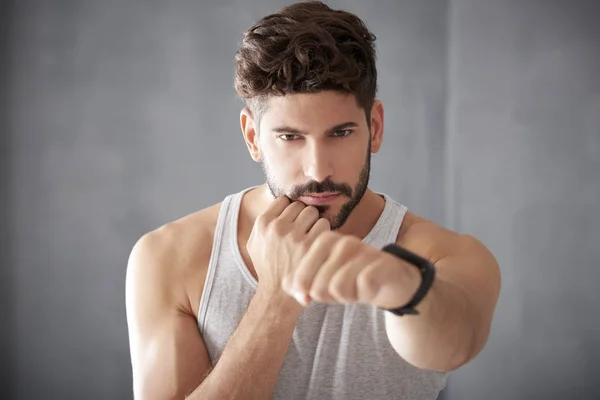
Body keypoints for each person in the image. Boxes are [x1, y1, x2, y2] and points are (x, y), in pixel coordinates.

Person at [125, 1, 501, 399]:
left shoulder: (443, 256)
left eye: (340, 134)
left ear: (374, 127)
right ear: (253, 137)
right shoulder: (170, 258)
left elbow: (454, 342)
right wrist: (276, 296)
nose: (318, 170)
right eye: (290, 137)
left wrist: (401, 285)